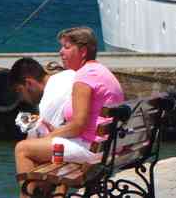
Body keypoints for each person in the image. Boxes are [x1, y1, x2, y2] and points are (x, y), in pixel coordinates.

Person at [14, 28, 124, 197]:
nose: (60, 52)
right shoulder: (99, 71)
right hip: (107, 145)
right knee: (45, 150)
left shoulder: (84, 77)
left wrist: (50, 136)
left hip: (91, 150)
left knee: (23, 149)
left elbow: (78, 125)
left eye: (66, 47)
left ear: (83, 51)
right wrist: (55, 135)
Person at [8, 58, 75, 139]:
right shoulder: (69, 74)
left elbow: (50, 140)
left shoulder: (47, 102)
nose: (21, 98)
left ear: (28, 83)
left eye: (19, 91)